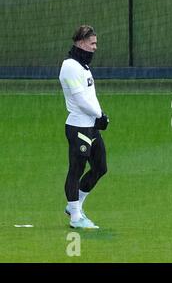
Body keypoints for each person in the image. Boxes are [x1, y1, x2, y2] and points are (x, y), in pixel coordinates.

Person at [59, 25, 109, 229]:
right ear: (81, 43)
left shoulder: (83, 66)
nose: (95, 47)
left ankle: (75, 206)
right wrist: (100, 115)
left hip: (91, 127)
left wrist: (99, 117)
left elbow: (90, 96)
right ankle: (75, 218)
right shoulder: (70, 66)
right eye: (92, 43)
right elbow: (80, 99)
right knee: (76, 169)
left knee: (100, 167)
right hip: (78, 126)